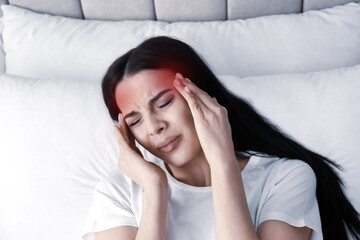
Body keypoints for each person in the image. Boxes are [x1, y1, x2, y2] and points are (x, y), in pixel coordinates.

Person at [82, 36, 360, 240]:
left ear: (201, 93)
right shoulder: (116, 194)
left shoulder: (285, 177)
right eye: (136, 120)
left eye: (164, 103)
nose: (154, 127)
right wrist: (155, 191)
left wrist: (223, 161)